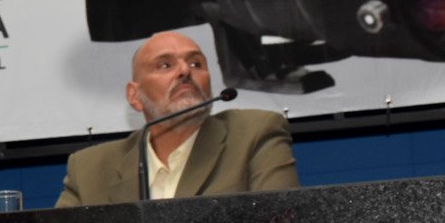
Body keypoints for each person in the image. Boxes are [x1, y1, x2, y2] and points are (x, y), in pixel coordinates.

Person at [56, 29, 298, 206]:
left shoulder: (253, 135)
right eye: (165, 65)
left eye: (196, 64)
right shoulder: (89, 169)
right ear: (134, 96)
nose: (184, 71)